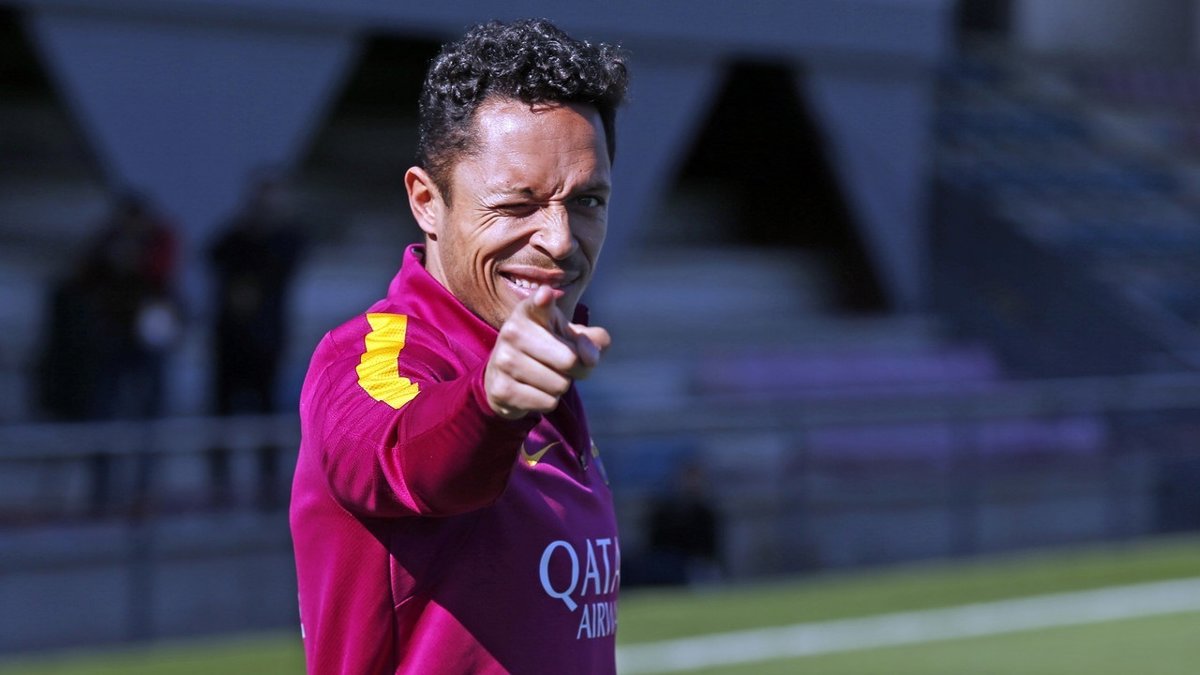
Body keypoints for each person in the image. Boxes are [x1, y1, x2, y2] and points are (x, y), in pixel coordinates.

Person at [289, 19, 629, 674]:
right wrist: (488, 404)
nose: (560, 239)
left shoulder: (547, 360)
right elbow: (398, 454)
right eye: (517, 204)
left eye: (587, 200)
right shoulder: (367, 356)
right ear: (426, 201)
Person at [208, 171, 305, 508]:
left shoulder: (286, 239)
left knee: (267, 416)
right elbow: (213, 254)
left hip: (266, 341)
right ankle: (220, 487)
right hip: (230, 342)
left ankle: (268, 488)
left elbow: (287, 260)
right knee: (222, 416)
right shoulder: (236, 237)